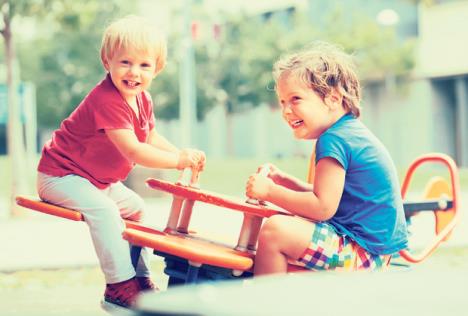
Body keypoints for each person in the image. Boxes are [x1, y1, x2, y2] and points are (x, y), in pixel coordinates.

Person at [37, 15, 206, 308]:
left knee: (137, 209)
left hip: (94, 181)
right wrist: (177, 160)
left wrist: (183, 155)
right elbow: (135, 151)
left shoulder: (143, 99)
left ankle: (139, 278)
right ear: (108, 62)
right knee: (104, 210)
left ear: (157, 68)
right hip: (60, 176)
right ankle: (118, 285)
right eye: (124, 62)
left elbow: (150, 136)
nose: (133, 72)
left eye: (144, 65)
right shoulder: (107, 100)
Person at [245, 41, 408, 275]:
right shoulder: (347, 132)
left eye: (295, 99)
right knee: (287, 224)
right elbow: (326, 196)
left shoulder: (334, 140)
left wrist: (269, 192)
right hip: (372, 253)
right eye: (282, 102)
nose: (286, 110)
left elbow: (322, 208)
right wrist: (282, 181)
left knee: (275, 232)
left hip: (363, 256)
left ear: (332, 98)